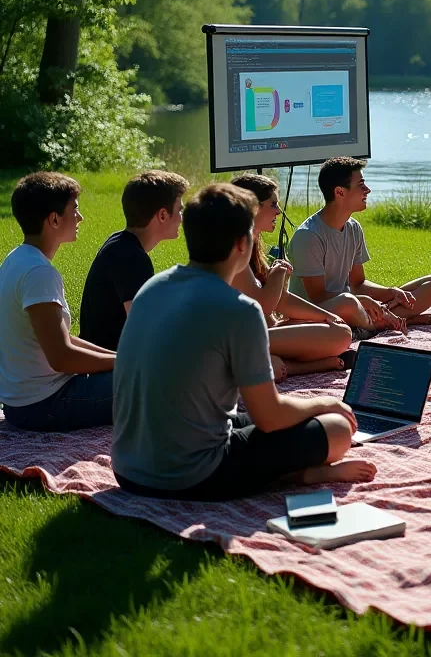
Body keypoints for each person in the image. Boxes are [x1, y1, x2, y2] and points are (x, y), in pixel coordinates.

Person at [112, 183, 376, 500]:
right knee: (336, 428)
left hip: (128, 469)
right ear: (242, 244)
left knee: (287, 419)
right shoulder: (240, 310)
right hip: (192, 476)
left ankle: (301, 470)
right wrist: (326, 402)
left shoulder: (152, 288)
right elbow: (270, 416)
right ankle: (303, 475)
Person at [0, 173, 116, 431]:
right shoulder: (38, 272)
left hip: (25, 403)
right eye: (74, 209)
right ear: (53, 219)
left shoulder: (17, 259)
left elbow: (61, 340)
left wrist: (120, 357)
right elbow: (61, 357)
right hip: (43, 406)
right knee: (156, 379)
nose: (80, 217)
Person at [288, 157, 431, 332]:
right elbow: (318, 297)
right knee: (349, 303)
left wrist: (391, 292)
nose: (368, 190)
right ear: (340, 192)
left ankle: (381, 320)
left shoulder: (353, 228)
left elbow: (358, 284)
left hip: (353, 305)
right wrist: (361, 301)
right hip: (319, 314)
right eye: (361, 184)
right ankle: (381, 323)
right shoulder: (308, 236)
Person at [230, 173, 361, 378]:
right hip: (236, 340)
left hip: (259, 332)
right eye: (273, 204)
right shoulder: (233, 249)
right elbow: (264, 306)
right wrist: (278, 274)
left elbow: (281, 300)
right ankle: (294, 366)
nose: (279, 211)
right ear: (252, 206)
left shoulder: (252, 245)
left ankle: (274, 364)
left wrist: (325, 316)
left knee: (335, 327)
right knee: (341, 335)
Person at [79, 170, 190, 351]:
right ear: (162, 215)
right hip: (109, 371)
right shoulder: (130, 257)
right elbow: (146, 329)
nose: (181, 218)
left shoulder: (121, 244)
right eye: (180, 210)